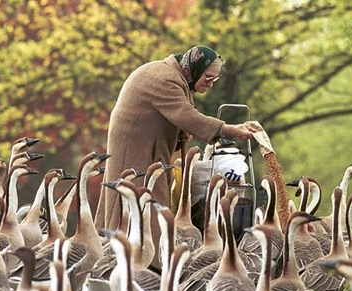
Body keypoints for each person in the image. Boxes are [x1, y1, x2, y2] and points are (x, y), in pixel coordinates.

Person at [94, 45, 256, 268]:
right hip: (135, 149)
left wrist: (178, 130)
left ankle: (150, 264)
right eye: (208, 77)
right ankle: (131, 265)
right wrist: (230, 129)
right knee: (133, 201)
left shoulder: (175, 76)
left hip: (150, 146)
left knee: (151, 201)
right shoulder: (164, 79)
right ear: (195, 67)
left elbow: (174, 114)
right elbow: (186, 115)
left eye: (214, 80)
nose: (210, 83)